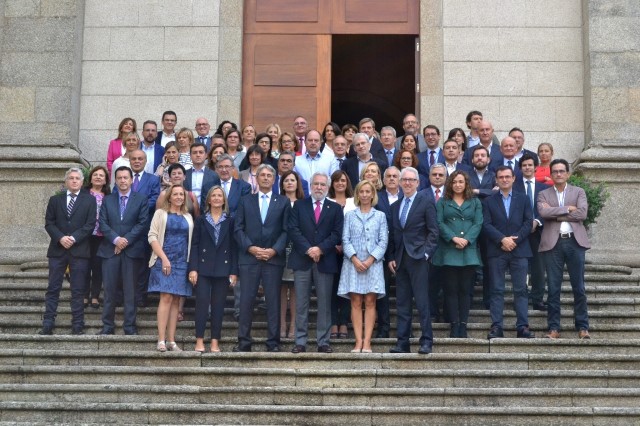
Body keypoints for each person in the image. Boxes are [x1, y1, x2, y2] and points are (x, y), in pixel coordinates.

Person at [234, 164, 290, 352]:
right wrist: (251, 248)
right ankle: (244, 342)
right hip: (249, 258)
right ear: (256, 179)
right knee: (246, 300)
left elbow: (286, 230)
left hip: (273, 259)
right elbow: (238, 228)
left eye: (269, 176)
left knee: (273, 301)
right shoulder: (245, 201)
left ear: (274, 180)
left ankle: (273, 342)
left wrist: (274, 250)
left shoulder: (282, 202)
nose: (265, 178)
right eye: (262, 175)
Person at [288, 172, 344, 354]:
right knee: (301, 303)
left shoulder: (334, 208)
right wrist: (309, 249)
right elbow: (293, 230)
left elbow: (337, 233)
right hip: (302, 259)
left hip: (325, 260)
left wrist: (320, 249)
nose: (319, 187)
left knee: (324, 303)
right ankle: (300, 341)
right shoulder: (299, 205)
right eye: (316, 184)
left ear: (327, 187)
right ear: (310, 186)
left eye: (322, 184)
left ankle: (323, 341)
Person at [387, 167, 439, 354]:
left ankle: (426, 340)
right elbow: (394, 234)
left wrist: (426, 254)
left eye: (411, 180)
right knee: (402, 303)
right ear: (400, 183)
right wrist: (391, 257)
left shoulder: (426, 202)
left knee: (422, 302)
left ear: (418, 182)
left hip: (419, 259)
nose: (407, 183)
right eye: (404, 180)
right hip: (400, 260)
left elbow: (434, 231)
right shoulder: (395, 206)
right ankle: (403, 342)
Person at [40, 168, 97, 335]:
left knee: (78, 289)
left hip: (79, 250)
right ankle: (48, 322)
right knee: (53, 287)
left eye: (77, 178)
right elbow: (49, 223)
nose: (74, 181)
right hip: (58, 250)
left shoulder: (89, 201)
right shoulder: (55, 200)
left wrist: (73, 238)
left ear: (82, 182)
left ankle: (78, 324)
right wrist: (60, 238)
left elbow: (90, 224)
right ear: (66, 182)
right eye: (71, 178)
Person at [538, 159, 591, 340]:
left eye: (562, 171)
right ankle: (554, 328)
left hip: (575, 243)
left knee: (579, 287)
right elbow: (543, 213)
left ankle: (583, 327)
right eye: (555, 171)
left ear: (568, 174)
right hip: (553, 244)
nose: (558, 174)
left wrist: (556, 213)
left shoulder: (579, 192)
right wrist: (568, 209)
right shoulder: (543, 194)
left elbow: (582, 213)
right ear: (551, 175)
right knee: (553, 288)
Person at [483, 166, 534, 339]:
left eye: (507, 177)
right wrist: (501, 239)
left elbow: (528, 222)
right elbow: (486, 225)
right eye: (501, 177)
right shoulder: (489, 201)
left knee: (521, 290)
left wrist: (515, 240)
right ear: (496, 180)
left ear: (513, 178)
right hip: (497, 251)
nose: (504, 180)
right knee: (496, 290)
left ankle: (523, 326)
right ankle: (497, 326)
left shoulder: (524, 198)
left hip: (520, 250)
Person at [97, 166, 149, 335]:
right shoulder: (107, 200)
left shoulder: (141, 199)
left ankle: (129, 326)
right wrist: (116, 240)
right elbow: (103, 223)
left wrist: (125, 240)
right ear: (115, 180)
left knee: (130, 291)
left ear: (131, 180)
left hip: (132, 251)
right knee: (110, 291)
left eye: (126, 177)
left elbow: (142, 223)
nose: (122, 181)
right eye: (119, 178)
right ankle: (107, 326)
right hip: (109, 250)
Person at [338, 180, 388, 353]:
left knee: (370, 301)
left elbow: (383, 241)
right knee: (356, 302)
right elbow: (345, 239)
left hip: (373, 264)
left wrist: (370, 259)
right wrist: (354, 258)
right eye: (362, 191)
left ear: (373, 194)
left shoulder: (380, 216)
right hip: (353, 264)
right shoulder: (350, 215)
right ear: (357, 194)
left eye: (368, 192)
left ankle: (367, 342)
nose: (365, 195)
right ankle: (358, 341)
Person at [432, 170, 483, 338]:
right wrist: (453, 238)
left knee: (465, 290)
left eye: (461, 181)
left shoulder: (475, 202)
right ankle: (454, 325)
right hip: (449, 251)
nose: (458, 185)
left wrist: (467, 239)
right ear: (450, 184)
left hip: (468, 250)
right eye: (454, 182)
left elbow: (478, 223)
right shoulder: (443, 202)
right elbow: (438, 222)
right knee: (451, 290)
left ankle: (463, 325)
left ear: (466, 183)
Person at [189, 186, 238, 353]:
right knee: (202, 304)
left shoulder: (230, 221)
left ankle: (215, 342)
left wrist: (233, 271)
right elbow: (194, 245)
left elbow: (233, 248)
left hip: (223, 269)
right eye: (214, 196)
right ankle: (200, 340)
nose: (217, 198)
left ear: (224, 200)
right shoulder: (201, 220)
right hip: (203, 268)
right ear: (209, 200)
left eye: (220, 195)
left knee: (218, 306)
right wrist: (193, 268)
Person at [148, 184, 194, 351]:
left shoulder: (188, 216)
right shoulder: (160, 213)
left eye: (181, 194)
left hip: (182, 262)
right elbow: (152, 236)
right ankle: (161, 339)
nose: (179, 197)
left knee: (176, 300)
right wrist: (164, 258)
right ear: (169, 196)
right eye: (175, 194)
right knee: (166, 298)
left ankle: (171, 340)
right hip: (163, 260)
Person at [514, 153, 550, 311]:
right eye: (524, 165)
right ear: (520, 168)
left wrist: (537, 221)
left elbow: (547, 209)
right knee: (519, 268)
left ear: (536, 167)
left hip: (538, 232)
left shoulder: (545, 189)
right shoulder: (514, 186)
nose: (527, 168)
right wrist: (525, 225)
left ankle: (537, 299)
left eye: (530, 165)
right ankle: (520, 300)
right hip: (519, 232)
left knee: (538, 267)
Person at [374, 166, 402, 338]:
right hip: (381, 251)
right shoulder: (377, 198)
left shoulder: (406, 197)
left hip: (403, 250)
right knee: (381, 292)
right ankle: (383, 327)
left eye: (395, 176)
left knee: (404, 292)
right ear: (383, 181)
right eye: (388, 176)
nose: (392, 179)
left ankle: (404, 327)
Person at [327, 170, 355, 339]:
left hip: (349, 252)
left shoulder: (354, 202)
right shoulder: (327, 201)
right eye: (336, 181)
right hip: (330, 251)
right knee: (331, 288)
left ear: (347, 183)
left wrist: (346, 246)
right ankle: (332, 322)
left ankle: (343, 322)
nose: (340, 183)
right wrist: (334, 245)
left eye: (343, 180)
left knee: (346, 288)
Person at [279, 170, 305, 338]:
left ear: (297, 184)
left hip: (298, 249)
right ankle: (281, 325)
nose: (289, 183)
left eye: (292, 180)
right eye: (286, 180)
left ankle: (294, 326)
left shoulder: (303, 203)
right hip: (280, 249)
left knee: (296, 289)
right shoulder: (278, 201)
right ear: (282, 184)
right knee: (281, 288)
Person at [84, 166, 111, 310]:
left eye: (102, 175)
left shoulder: (109, 195)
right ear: (91, 177)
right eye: (96, 174)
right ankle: (84, 295)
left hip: (101, 237)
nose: (98, 177)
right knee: (85, 266)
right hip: (85, 236)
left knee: (97, 266)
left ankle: (94, 296)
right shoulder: (84, 193)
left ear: (106, 179)